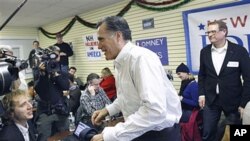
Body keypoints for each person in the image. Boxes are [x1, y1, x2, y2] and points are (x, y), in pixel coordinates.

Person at [91, 16, 182, 141]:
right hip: (140, 131)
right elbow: (128, 97)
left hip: (157, 135)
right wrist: (107, 110)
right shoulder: (121, 62)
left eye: (101, 40)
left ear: (118, 36)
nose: (99, 46)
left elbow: (154, 110)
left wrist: (111, 135)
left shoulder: (141, 58)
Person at [198, 20, 250, 141]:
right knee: (208, 133)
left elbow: (248, 79)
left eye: (213, 31)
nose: (210, 35)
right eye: (208, 32)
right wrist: (201, 94)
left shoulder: (239, 51)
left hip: (234, 101)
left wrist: (243, 104)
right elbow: (202, 75)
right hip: (211, 101)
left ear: (224, 31)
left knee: (237, 134)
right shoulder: (204, 52)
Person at [34, 45, 70, 141]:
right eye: (54, 56)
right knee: (44, 137)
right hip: (45, 111)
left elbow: (66, 86)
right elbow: (39, 89)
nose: (57, 59)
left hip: (60, 109)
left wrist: (56, 74)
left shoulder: (60, 69)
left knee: (65, 135)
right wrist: (43, 74)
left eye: (58, 56)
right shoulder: (39, 70)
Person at [176, 63, 201, 141]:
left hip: (191, 111)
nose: (178, 76)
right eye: (177, 74)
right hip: (184, 109)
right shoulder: (184, 83)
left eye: (179, 73)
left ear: (186, 72)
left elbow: (196, 103)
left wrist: (182, 99)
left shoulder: (193, 84)